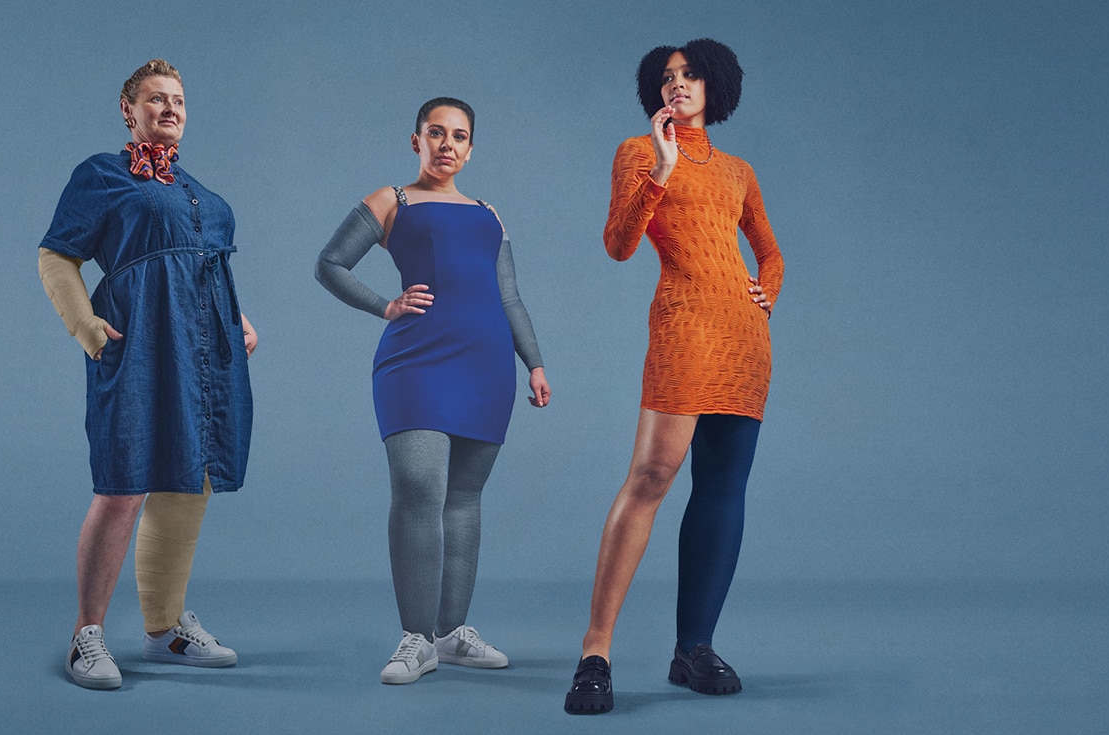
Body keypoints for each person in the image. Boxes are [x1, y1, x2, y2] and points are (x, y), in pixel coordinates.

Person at [564, 39, 784, 714]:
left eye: (689, 76)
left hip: (743, 340)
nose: (677, 85)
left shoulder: (739, 170)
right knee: (653, 476)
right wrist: (659, 168)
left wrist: (765, 289)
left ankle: (695, 648)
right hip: (684, 326)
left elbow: (770, 252)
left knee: (723, 487)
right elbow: (619, 243)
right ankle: (595, 652)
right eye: (666, 78)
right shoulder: (637, 151)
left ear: (715, 86)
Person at [316, 97, 551, 685]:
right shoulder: (390, 201)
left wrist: (535, 364)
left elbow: (510, 297)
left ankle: (451, 634)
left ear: (471, 149)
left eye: (460, 136)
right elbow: (331, 264)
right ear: (416, 140)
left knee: (465, 499)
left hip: (487, 366)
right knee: (419, 487)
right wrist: (386, 306)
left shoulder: (489, 213)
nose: (448, 144)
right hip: (415, 362)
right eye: (437, 133)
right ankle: (414, 638)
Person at [38, 59, 257, 690]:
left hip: (205, 351)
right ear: (128, 109)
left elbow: (202, 267)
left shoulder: (196, 190)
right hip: (137, 345)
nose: (170, 108)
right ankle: (88, 635)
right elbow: (56, 255)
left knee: (192, 480)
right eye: (156, 99)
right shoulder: (102, 175)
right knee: (124, 482)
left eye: (179, 100)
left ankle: (164, 632)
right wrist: (85, 327)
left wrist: (239, 319)